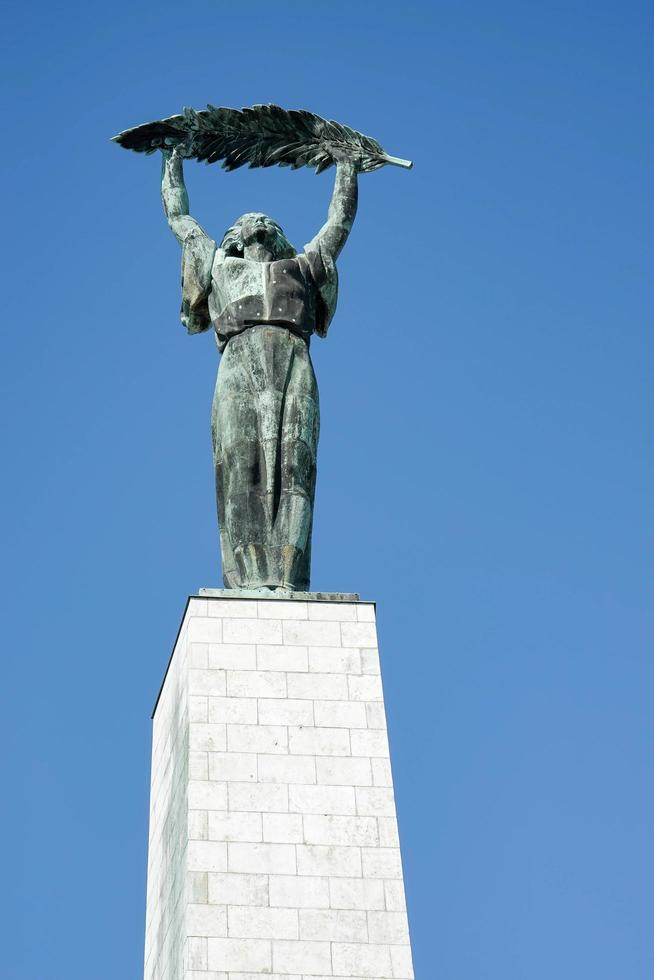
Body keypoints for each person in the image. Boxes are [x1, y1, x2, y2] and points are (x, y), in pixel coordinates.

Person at [160, 143, 359, 590]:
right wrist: (172, 161)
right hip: (238, 361)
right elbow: (181, 222)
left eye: (267, 219)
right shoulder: (218, 265)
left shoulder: (301, 267)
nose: (258, 219)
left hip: (293, 357)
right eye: (248, 220)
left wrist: (346, 167)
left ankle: (288, 576)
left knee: (294, 464)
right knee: (241, 463)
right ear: (236, 235)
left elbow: (338, 227)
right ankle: (247, 577)